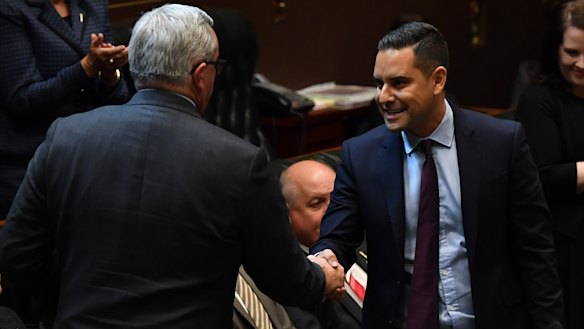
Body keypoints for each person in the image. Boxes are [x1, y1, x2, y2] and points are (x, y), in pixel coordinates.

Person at [0, 4, 345, 328]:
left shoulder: (65, 136)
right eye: (216, 68)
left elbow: (16, 255)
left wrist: (66, 308)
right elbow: (284, 280)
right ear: (200, 75)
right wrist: (323, 278)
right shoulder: (239, 162)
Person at [310, 22, 565, 329]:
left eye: (399, 83)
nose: (383, 97)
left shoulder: (501, 144)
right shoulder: (360, 155)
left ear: (437, 79)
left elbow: (536, 251)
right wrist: (325, 260)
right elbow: (337, 237)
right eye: (380, 84)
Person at [0, 0, 130, 219]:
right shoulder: (10, 9)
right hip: (29, 165)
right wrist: (86, 68)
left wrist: (110, 76)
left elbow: (117, 98)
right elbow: (22, 100)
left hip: (88, 159)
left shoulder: (93, 4)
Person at [514, 1, 584, 328]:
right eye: (572, 52)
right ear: (555, 48)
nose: (581, 63)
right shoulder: (539, 98)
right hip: (564, 240)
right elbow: (543, 178)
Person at [279, 159, 361, 329]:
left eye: (338, 198)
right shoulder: (290, 277)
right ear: (286, 215)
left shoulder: (366, 237)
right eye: (316, 203)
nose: (332, 211)